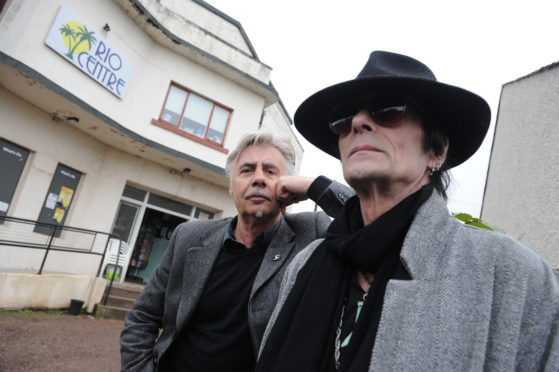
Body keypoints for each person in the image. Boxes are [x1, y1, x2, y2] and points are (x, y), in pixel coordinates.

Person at [256, 51, 559, 371]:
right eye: (342, 117)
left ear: (437, 151)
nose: (358, 122)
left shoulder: (510, 274)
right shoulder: (304, 265)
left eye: (387, 108)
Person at [120, 132, 353, 371]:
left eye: (271, 172)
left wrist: (315, 187)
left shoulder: (311, 232)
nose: (259, 179)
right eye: (247, 170)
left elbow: (375, 218)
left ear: (288, 186)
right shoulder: (188, 237)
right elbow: (142, 317)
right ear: (232, 187)